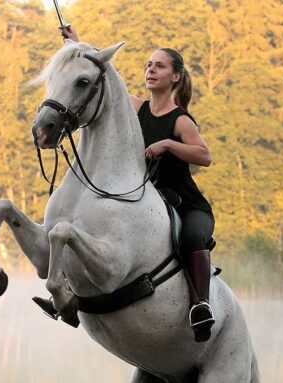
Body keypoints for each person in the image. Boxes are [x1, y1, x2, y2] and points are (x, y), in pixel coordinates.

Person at [35, 27, 216, 343]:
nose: (150, 70)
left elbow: (205, 156)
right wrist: (76, 44)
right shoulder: (135, 107)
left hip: (184, 203)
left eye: (159, 66)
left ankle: (200, 305)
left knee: (191, 234)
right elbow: (97, 83)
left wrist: (169, 145)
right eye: (148, 64)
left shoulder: (180, 120)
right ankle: (66, 290)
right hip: (145, 198)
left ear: (175, 77)